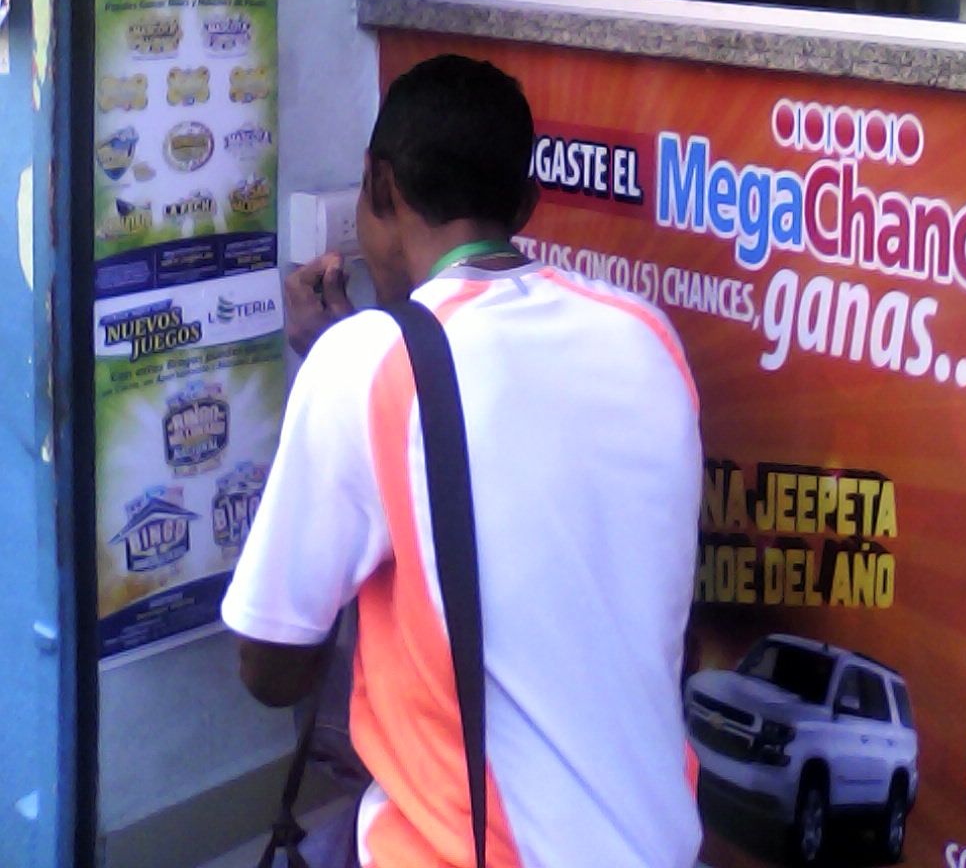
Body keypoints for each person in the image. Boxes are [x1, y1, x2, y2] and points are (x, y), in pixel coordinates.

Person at [221, 53, 703, 868]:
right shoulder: (646, 335)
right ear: (526, 203)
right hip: (657, 842)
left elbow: (271, 670)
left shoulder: (363, 366)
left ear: (378, 187)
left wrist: (341, 366)